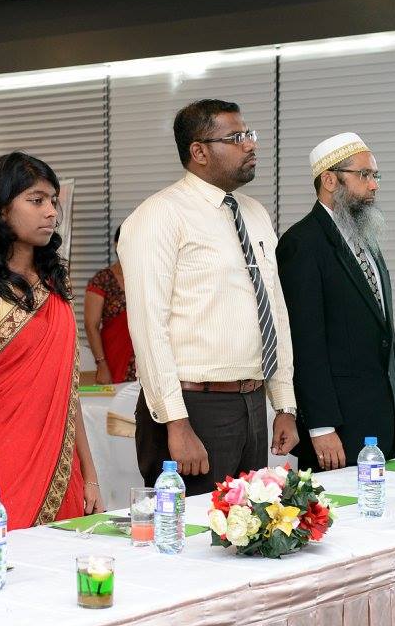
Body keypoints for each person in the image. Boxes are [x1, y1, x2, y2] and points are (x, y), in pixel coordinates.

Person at [119, 99, 299, 494]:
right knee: (192, 528)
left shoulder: (254, 213)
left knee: (251, 524)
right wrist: (176, 422)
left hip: (252, 401)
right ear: (199, 151)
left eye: (249, 134)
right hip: (193, 407)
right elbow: (149, 328)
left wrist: (284, 403)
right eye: (235, 138)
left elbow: (274, 310)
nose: (250, 145)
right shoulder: (159, 215)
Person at [0, 152, 101, 535]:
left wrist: (91, 474)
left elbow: (68, 393)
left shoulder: (55, 283)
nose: (51, 212)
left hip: (61, 467)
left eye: (53, 201)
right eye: (36, 200)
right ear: (0, 209)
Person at [277, 132, 395, 471]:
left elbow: (383, 332)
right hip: (337, 428)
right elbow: (305, 344)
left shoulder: (365, 238)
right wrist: (321, 426)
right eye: (364, 175)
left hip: (378, 419)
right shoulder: (303, 243)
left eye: (375, 175)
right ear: (330, 180)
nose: (374, 185)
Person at [84, 227, 135, 384]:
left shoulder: (149, 277)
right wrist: (101, 364)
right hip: (113, 359)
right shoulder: (102, 280)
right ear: (116, 245)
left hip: (145, 360)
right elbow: (91, 326)